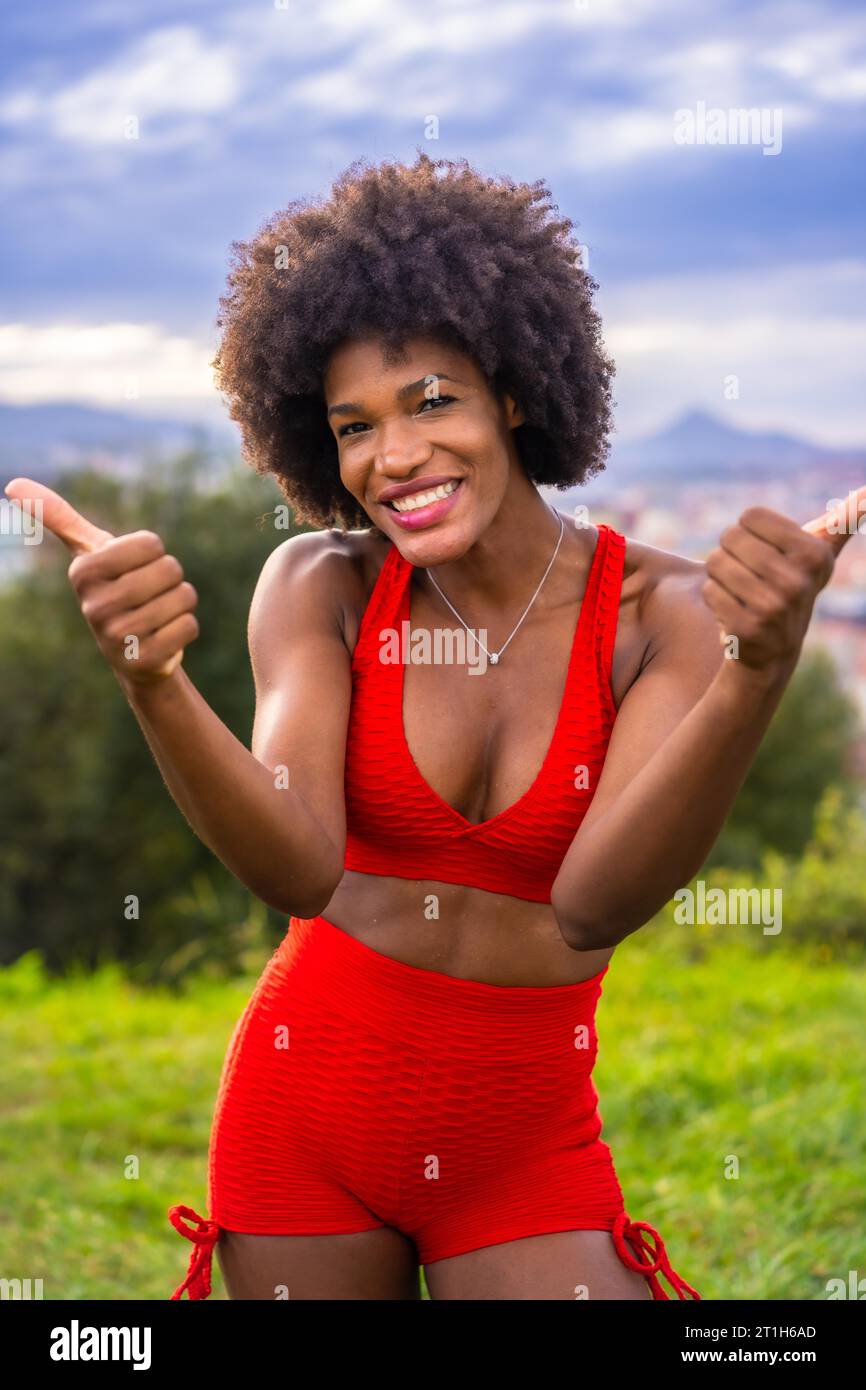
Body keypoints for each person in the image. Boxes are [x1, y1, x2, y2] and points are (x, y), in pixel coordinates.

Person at [7, 152, 860, 1301]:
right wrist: (153, 682)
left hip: (521, 1146)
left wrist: (753, 676)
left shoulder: (666, 613)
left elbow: (594, 900)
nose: (392, 457)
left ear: (512, 391)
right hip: (303, 1120)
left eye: (431, 401)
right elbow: (298, 866)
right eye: (351, 426)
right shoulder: (320, 584)